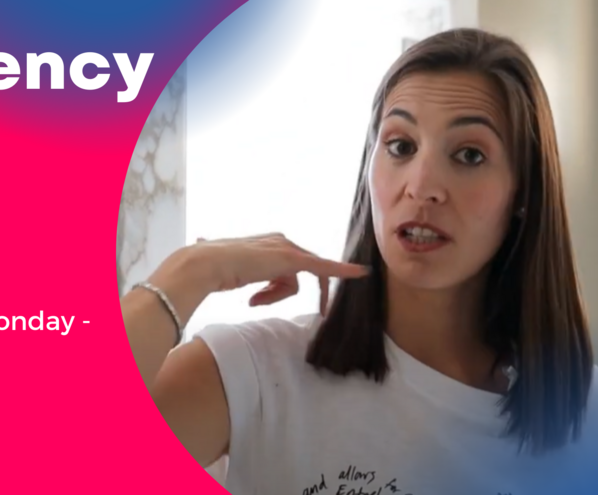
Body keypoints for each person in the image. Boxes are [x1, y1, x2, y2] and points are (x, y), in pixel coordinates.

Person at [121, 28, 597, 494]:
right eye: (401, 146)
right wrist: (192, 271)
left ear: (523, 193)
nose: (421, 186)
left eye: (469, 155)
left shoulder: (583, 412)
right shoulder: (257, 372)